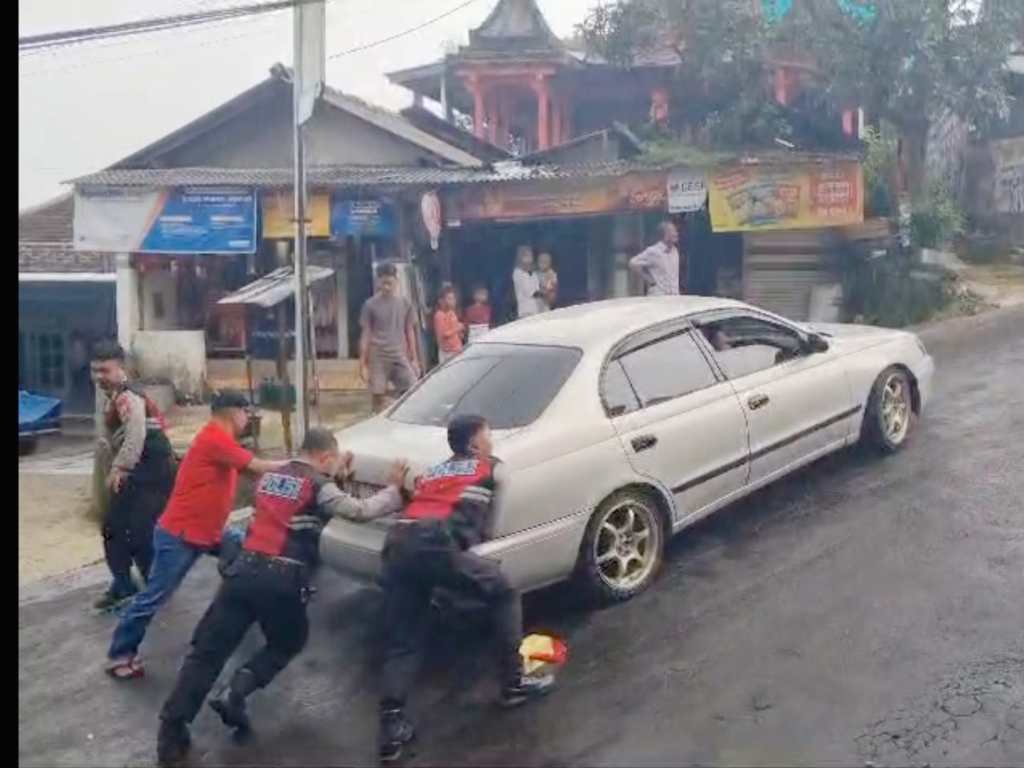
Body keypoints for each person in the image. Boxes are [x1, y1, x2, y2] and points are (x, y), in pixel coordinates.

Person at [155, 428, 409, 766]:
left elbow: (297, 508)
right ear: (325, 457)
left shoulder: (272, 476)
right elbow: (358, 511)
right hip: (281, 578)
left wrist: (338, 481)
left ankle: (171, 733)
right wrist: (394, 490)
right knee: (287, 641)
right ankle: (236, 691)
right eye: (332, 463)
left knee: (206, 653)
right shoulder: (318, 484)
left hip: (241, 571)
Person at [377, 414, 555, 763]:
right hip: (434, 543)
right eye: (488, 435)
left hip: (397, 543)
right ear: (475, 444)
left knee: (404, 641)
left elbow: (428, 500)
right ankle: (513, 683)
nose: (492, 441)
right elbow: (491, 523)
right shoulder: (491, 467)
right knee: (503, 592)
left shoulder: (435, 470)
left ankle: (390, 728)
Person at [105, 391, 288, 680]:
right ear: (233, 413)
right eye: (245, 413)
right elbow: (257, 467)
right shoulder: (214, 438)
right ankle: (120, 654)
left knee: (251, 556)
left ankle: (234, 620)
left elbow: (254, 474)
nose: (247, 420)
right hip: (181, 534)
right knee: (154, 596)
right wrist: (304, 466)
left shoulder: (222, 441)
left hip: (211, 530)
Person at [91, 340, 177, 612]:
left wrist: (121, 468)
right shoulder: (113, 396)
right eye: (95, 371)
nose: (98, 377)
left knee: (141, 532)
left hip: (153, 470)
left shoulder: (129, 396)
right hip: (136, 469)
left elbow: (137, 433)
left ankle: (154, 588)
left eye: (104, 370)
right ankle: (123, 585)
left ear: (121, 368)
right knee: (113, 527)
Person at [360, 263, 422, 414]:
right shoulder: (370, 305)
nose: (386, 287)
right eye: (383, 283)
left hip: (399, 353)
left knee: (412, 387)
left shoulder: (405, 303)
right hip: (378, 354)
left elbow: (410, 331)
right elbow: (366, 333)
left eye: (390, 283)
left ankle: (399, 415)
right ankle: (376, 420)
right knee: (377, 393)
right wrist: (362, 363)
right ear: (378, 282)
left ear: (396, 281)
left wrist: (414, 359)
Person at [629, 220, 682, 296]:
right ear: (665, 235)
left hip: (674, 297)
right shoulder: (653, 251)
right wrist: (649, 279)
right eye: (673, 231)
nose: (676, 234)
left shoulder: (675, 251)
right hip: (658, 297)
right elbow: (632, 263)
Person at [433, 283, 465, 366]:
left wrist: (460, 333)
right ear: (441, 301)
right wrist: (458, 328)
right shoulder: (439, 315)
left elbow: (455, 329)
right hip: (447, 353)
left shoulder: (452, 313)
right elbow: (445, 334)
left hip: (457, 349)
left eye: (453, 298)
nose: (453, 301)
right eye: (449, 299)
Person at [512, 246, 544, 319]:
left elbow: (537, 286)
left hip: (537, 308)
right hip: (525, 309)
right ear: (520, 257)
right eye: (526, 256)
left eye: (530, 256)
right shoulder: (518, 272)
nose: (529, 258)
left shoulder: (533, 272)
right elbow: (527, 290)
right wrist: (539, 293)